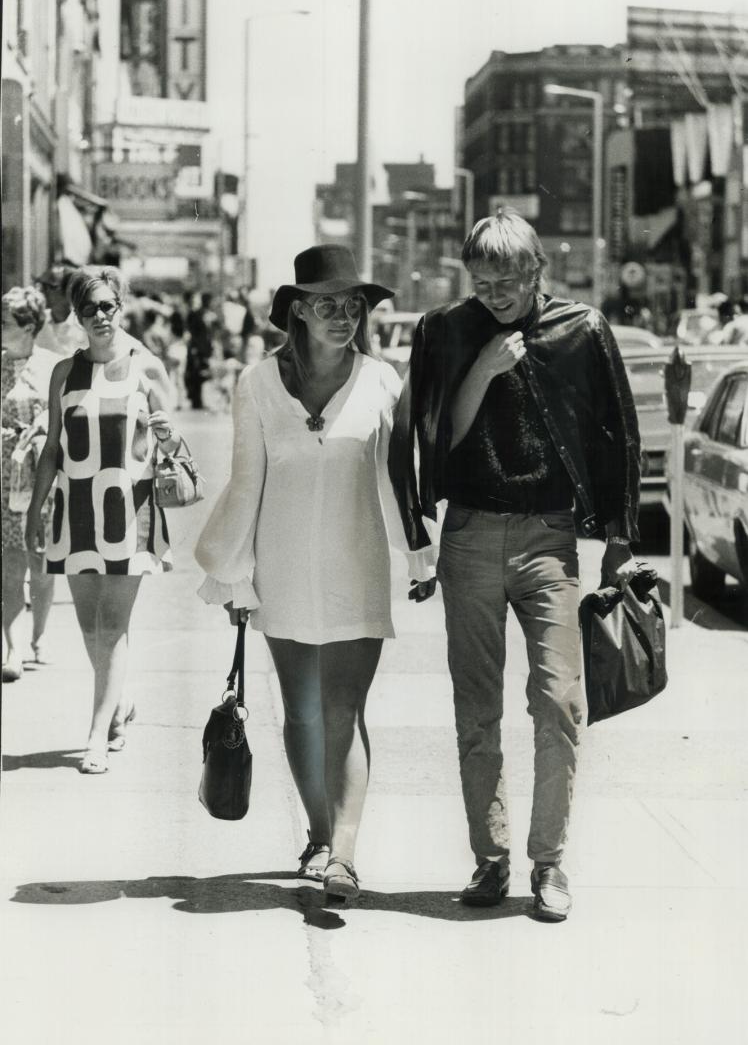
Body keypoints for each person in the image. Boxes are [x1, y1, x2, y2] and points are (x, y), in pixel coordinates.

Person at [389, 207, 641, 922]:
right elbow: (433, 439)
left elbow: (617, 434)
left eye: (509, 278)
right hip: (468, 534)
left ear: (539, 272)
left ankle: (550, 863)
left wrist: (620, 537)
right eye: (482, 279)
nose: (495, 292)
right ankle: (491, 858)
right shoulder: (446, 330)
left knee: (560, 701)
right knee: (477, 709)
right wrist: (484, 370)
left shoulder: (581, 330)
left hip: (548, 537)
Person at [195, 245, 435, 900]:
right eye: (327, 305)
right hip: (282, 570)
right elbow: (246, 484)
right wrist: (234, 577)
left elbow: (400, 481)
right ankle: (320, 835)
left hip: (357, 566)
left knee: (341, 710)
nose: (343, 317)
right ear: (297, 311)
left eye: (353, 305)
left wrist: (418, 556)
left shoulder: (384, 382)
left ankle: (344, 854)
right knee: (302, 713)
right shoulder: (255, 384)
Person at [25, 266, 182, 774]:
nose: (99, 316)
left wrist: (165, 432)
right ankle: (120, 701)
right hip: (76, 513)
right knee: (90, 628)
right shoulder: (64, 373)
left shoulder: (146, 368)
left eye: (107, 305)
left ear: (121, 307)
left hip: (128, 513)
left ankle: (96, 735)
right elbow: (52, 448)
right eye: (88, 307)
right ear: (76, 314)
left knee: (112, 626)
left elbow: (175, 443)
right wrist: (35, 506)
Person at [2, 287, 59, 681]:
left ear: (27, 326)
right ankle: (13, 647)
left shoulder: (54, 367)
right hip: (4, 474)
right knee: (9, 564)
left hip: (43, 478)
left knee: (41, 564)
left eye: (5, 322)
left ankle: (39, 636)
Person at [34, 263, 89, 356]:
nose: (42, 291)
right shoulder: (35, 321)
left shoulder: (84, 328)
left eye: (49, 287)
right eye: (42, 286)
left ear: (69, 291)